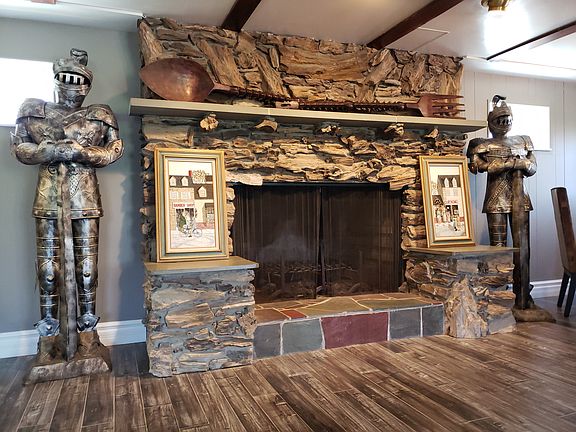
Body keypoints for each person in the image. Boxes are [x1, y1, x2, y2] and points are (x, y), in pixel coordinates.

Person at [11, 49, 123, 363]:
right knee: (48, 271)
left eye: (78, 80)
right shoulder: (33, 109)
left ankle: (87, 335)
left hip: (85, 197)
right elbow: (19, 146)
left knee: (87, 270)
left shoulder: (100, 114)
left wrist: (82, 153)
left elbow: (114, 149)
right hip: (48, 196)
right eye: (66, 78)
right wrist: (46, 151)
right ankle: (49, 338)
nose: (72, 85)